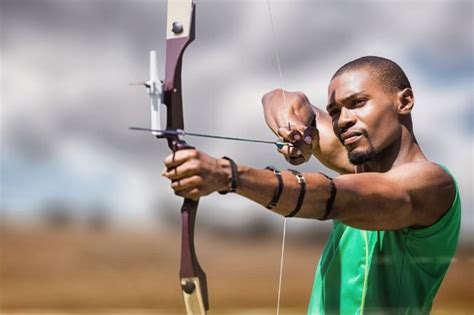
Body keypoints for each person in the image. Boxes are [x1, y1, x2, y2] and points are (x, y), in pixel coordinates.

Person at [161, 56, 461, 314]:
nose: (343, 120)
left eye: (357, 103)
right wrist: (292, 126)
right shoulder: (357, 164)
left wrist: (226, 174)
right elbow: (280, 97)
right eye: (335, 111)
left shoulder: (433, 184)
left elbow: (336, 198)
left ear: (404, 101)